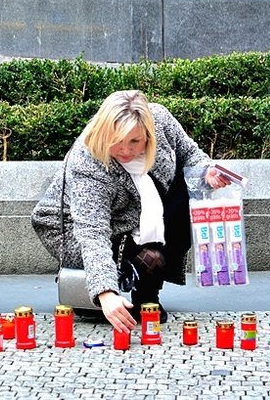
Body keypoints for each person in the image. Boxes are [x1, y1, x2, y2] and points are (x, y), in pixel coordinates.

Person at [31, 90, 231, 333]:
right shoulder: (87, 160)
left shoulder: (159, 120)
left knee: (189, 189)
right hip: (75, 228)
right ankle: (123, 283)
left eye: (135, 141)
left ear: (148, 133)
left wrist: (206, 171)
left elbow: (190, 154)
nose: (125, 150)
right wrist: (105, 293)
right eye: (116, 141)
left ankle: (147, 290)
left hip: (133, 214)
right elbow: (92, 232)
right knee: (149, 260)